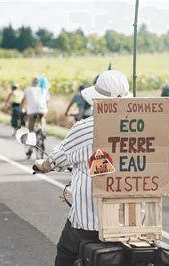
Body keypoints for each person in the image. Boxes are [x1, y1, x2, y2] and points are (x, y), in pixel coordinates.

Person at [32, 70, 131, 265]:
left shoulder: (86, 128)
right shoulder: (140, 127)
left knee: (65, 254)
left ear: (96, 100)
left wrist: (43, 165)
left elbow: (57, 159)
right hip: (131, 221)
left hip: (91, 221)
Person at [20, 77, 48, 156]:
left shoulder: (27, 89)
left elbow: (23, 101)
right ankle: (42, 131)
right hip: (42, 109)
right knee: (42, 118)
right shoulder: (43, 90)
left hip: (32, 111)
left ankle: (30, 145)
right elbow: (46, 101)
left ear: (32, 82)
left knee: (31, 128)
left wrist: (21, 109)